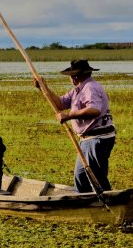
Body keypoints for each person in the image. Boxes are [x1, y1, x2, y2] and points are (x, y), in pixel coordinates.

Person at [34, 59, 115, 193]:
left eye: (71, 75)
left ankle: (109, 204)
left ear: (75, 76)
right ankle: (84, 204)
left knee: (96, 176)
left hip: (97, 138)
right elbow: (60, 104)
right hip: (87, 139)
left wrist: (69, 116)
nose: (70, 78)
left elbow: (94, 110)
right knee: (82, 177)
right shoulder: (77, 90)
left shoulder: (90, 87)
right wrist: (43, 87)